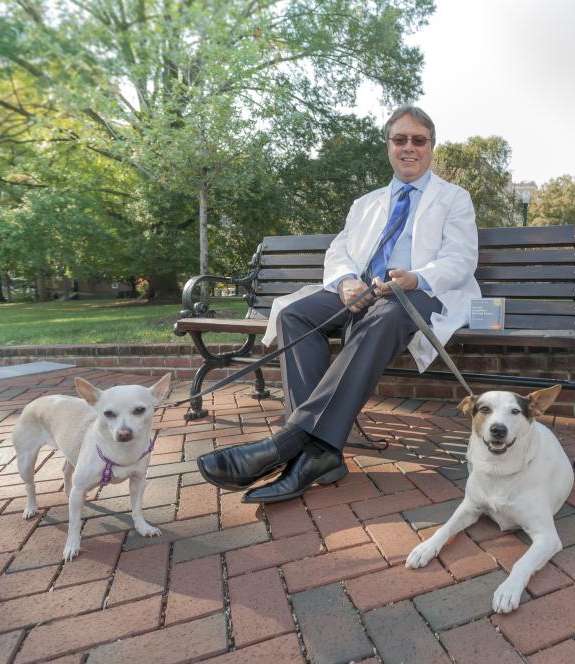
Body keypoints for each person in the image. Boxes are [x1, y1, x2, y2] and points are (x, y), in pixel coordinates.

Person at [197, 106, 480, 503]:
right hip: (361, 293)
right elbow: (340, 250)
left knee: (388, 312)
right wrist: (346, 281)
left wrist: (416, 277)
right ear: (388, 146)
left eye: (418, 140)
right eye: (400, 139)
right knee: (294, 313)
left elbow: (462, 259)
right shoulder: (366, 203)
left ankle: (292, 443)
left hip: (421, 294)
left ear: (431, 146)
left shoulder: (454, 198)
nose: (409, 148)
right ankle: (321, 454)